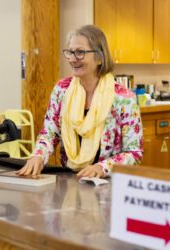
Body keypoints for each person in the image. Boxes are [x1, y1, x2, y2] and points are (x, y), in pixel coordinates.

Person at [17, 25, 143, 178]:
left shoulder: (124, 98)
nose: (72, 58)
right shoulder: (61, 90)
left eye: (80, 52)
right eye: (70, 52)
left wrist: (102, 167)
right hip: (71, 180)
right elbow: (50, 133)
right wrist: (38, 155)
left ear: (99, 57)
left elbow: (134, 153)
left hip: (108, 183)